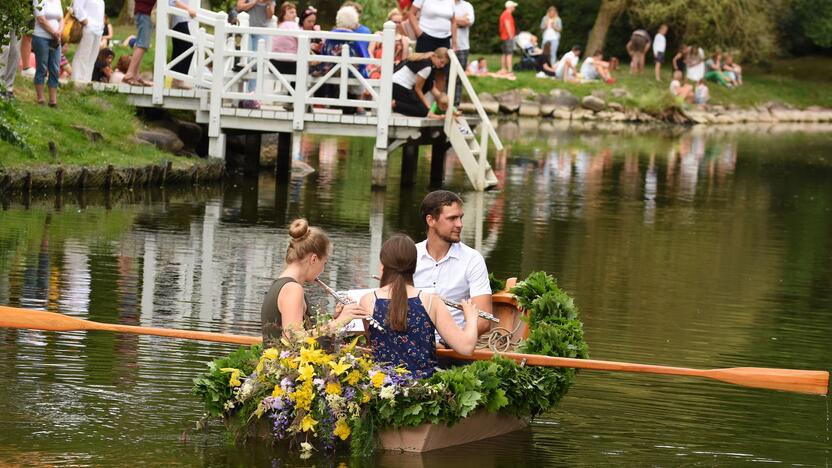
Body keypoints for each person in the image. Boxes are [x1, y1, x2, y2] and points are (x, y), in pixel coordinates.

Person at [359, 234, 478, 378]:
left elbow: (373, 341)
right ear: (414, 267)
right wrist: (471, 318)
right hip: (423, 391)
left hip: (383, 390)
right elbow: (466, 347)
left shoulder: (368, 301)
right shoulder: (431, 302)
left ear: (383, 266)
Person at [261, 219, 372, 343]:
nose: (322, 270)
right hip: (285, 362)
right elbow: (293, 338)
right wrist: (339, 322)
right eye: (324, 263)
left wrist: (337, 318)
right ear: (313, 259)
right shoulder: (292, 289)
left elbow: (302, 334)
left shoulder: (282, 284)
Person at [414, 190, 493, 337]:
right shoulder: (410, 255)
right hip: (412, 344)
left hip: (454, 348)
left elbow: (484, 320)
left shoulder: (473, 259)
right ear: (430, 220)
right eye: (452, 218)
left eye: (460, 218)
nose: (460, 224)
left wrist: (451, 342)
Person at [236, 0, 275, 107]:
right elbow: (240, 7)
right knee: (245, 60)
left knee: (256, 63)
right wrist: (255, 2)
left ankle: (251, 95)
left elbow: (270, 16)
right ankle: (241, 95)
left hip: (262, 30)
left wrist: (268, 4)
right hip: (247, 29)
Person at [391, 48, 448, 118]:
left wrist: (450, 107)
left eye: (444, 64)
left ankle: (396, 104)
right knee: (423, 111)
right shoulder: (427, 67)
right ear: (434, 56)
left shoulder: (425, 61)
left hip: (393, 84)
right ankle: (395, 104)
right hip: (399, 86)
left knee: (419, 106)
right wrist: (428, 107)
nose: (442, 66)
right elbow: (418, 89)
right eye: (441, 62)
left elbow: (431, 87)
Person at [33, 0, 64, 107]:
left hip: (56, 39)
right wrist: (54, 32)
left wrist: (59, 31)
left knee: (55, 69)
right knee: (42, 67)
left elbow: (61, 19)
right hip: (41, 37)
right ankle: (40, 99)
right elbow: (40, 19)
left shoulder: (57, 1)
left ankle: (53, 101)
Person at [122, 0, 156, 86]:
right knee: (142, 45)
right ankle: (129, 75)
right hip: (143, 14)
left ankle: (135, 75)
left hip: (143, 14)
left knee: (141, 45)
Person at [71, 0, 105, 84]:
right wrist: (84, 20)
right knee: (83, 55)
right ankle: (77, 80)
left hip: (98, 29)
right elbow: (77, 7)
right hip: (88, 27)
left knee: (92, 56)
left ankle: (87, 80)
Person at [168, 0, 197, 89]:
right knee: (188, 48)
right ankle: (178, 80)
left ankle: (176, 80)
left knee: (179, 49)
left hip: (181, 19)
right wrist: (188, 9)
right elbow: (173, 1)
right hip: (178, 19)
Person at [271, 2, 300, 77]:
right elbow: (302, 41)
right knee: (306, 69)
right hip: (288, 64)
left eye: (295, 12)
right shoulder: (292, 25)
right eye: (291, 12)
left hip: (274, 64)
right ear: (283, 15)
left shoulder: (279, 26)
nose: (295, 15)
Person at [452, 0, 473, 106]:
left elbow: (468, 22)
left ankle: (456, 105)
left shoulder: (467, 6)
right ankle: (442, 104)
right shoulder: (445, 3)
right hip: (445, 44)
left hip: (463, 47)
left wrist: (452, 20)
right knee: (443, 76)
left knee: (459, 78)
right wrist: (460, 20)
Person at [498, 1, 517, 77]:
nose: (514, 8)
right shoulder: (507, 14)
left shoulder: (504, 13)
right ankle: (509, 70)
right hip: (508, 37)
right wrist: (511, 35)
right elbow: (507, 24)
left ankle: (503, 69)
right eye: (513, 6)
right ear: (510, 7)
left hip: (504, 36)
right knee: (509, 54)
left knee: (504, 53)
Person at [0, 31, 21, 99]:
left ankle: (8, 88)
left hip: (18, 22)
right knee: (4, 47)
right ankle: (1, 86)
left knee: (15, 50)